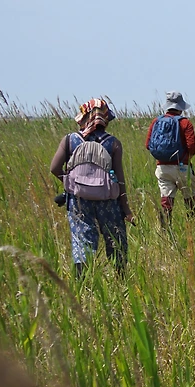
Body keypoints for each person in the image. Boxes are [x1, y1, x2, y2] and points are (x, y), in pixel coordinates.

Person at [49, 98, 134, 277]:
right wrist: (126, 209)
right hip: (108, 201)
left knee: (82, 240)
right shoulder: (113, 143)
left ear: (84, 117)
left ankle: (82, 283)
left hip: (79, 200)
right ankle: (121, 279)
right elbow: (120, 179)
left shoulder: (69, 140)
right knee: (114, 238)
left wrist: (69, 183)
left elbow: (54, 168)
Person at [145, 91, 195, 223]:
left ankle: (166, 229)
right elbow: (191, 147)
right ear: (180, 107)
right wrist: (186, 159)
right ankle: (192, 227)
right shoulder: (185, 123)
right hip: (182, 166)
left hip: (162, 167)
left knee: (166, 200)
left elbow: (148, 145)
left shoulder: (156, 121)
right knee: (190, 199)